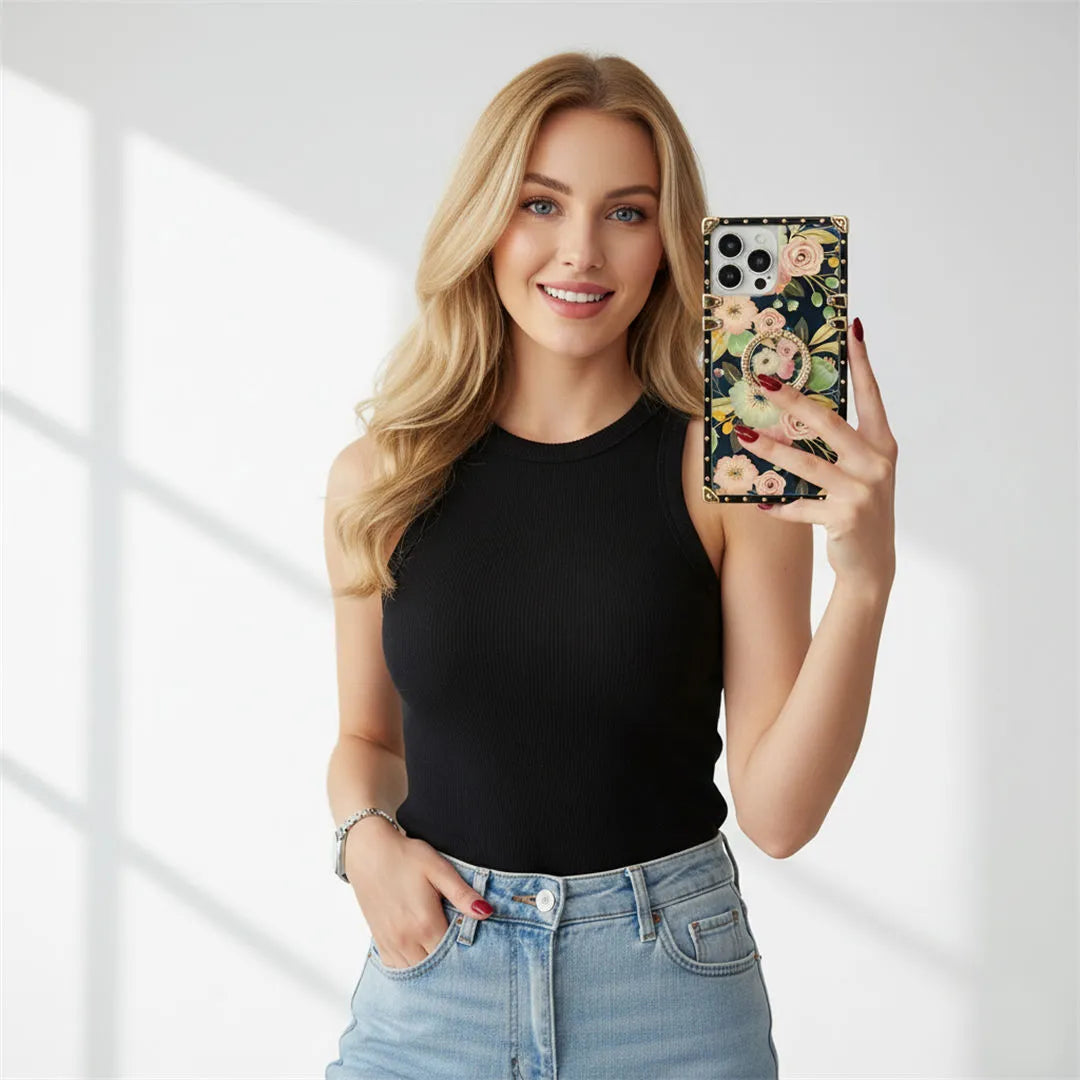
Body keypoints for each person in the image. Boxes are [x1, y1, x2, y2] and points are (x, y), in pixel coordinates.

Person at [322, 50, 896, 1080]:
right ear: (488, 218)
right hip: (435, 987)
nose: (581, 252)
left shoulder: (726, 477)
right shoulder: (380, 474)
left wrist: (865, 579)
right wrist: (365, 840)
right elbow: (366, 740)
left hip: (669, 991)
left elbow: (779, 816)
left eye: (627, 213)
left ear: (671, 244)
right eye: (542, 204)